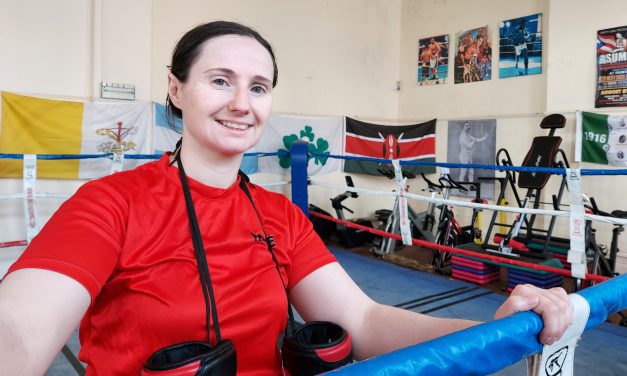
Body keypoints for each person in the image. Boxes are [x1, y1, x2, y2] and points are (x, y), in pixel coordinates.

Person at [0, 20, 573, 375]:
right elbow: (20, 332)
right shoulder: (110, 204)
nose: (241, 104)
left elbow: (364, 320)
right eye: (219, 80)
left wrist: (496, 332)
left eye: (259, 87)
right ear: (175, 89)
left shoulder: (280, 217)